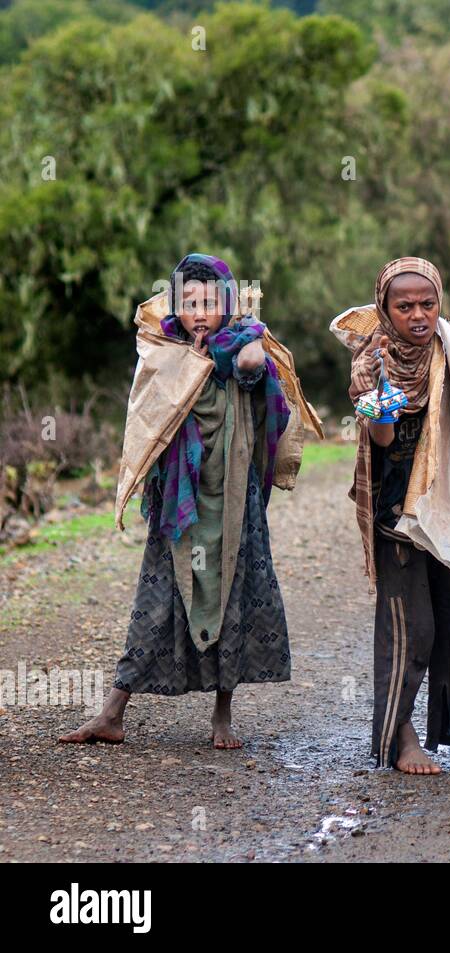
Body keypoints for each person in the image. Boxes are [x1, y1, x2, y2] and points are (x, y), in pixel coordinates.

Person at [60, 254, 296, 749]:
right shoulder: (163, 351)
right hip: (178, 504)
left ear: (228, 303)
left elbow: (257, 375)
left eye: (211, 301)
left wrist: (249, 338)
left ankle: (222, 716)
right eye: (189, 302)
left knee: (231, 593)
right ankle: (111, 714)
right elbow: (147, 415)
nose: (199, 311)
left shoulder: (241, 350)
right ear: (176, 305)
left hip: (233, 500)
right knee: (156, 600)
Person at [337, 256, 450, 776]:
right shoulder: (370, 364)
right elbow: (383, 440)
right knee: (409, 628)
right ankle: (401, 738)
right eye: (404, 305)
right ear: (384, 309)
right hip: (399, 513)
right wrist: (381, 405)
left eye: (427, 303)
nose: (418, 315)